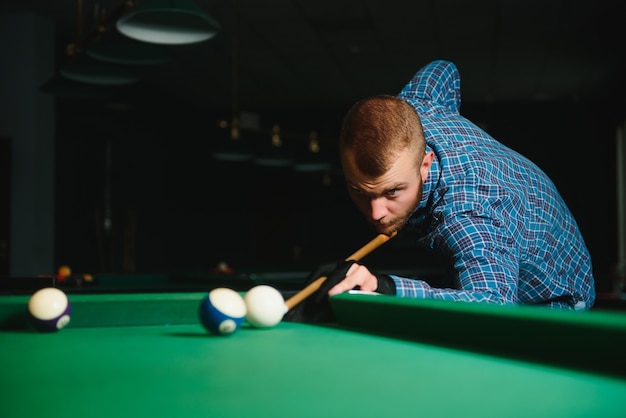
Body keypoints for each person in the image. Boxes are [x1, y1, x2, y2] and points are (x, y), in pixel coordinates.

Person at [293, 59, 595, 320]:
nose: (377, 213)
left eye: (393, 192)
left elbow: (493, 305)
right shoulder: (415, 107)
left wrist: (384, 287)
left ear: (425, 165)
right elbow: (442, 70)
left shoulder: (468, 209)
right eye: (359, 191)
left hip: (553, 297)